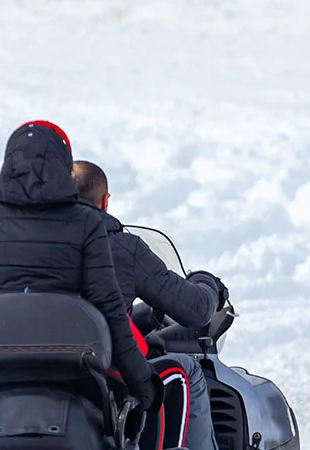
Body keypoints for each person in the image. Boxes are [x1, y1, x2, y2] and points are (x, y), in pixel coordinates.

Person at [0, 121, 160, 420]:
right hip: (73, 372)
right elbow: (109, 308)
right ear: (63, 165)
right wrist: (141, 381)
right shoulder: (86, 223)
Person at [72, 159, 225, 450]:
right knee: (187, 370)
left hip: (33, 367)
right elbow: (195, 310)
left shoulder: (27, 248)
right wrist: (208, 283)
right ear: (105, 202)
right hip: (104, 379)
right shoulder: (121, 247)